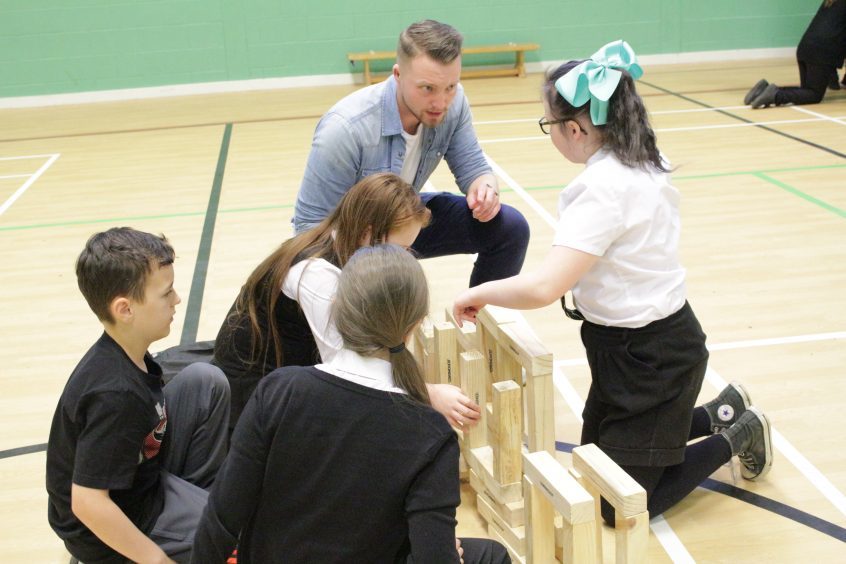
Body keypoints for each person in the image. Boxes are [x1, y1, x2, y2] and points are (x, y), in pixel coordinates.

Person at [453, 40, 774, 524]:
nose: (551, 134)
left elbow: (544, 288)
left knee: (613, 503)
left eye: (550, 126)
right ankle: (719, 412)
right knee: (597, 462)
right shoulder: (635, 158)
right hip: (625, 347)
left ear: (576, 129)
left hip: (653, 356)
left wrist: (478, 293)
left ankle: (737, 434)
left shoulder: (604, 190)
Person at [192, 244, 510, 563]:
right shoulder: (431, 434)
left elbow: (221, 518)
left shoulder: (278, 390)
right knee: (492, 555)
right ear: (415, 324)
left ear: (336, 307)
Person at [215, 173, 481, 431]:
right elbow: (348, 373)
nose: (405, 257)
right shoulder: (318, 275)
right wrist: (428, 394)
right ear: (367, 234)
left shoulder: (344, 245)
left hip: (291, 368)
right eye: (399, 248)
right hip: (251, 391)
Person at [293, 19, 530, 288]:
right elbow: (308, 229)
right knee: (393, 287)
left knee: (510, 228)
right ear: (397, 76)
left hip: (405, 221)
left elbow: (473, 165)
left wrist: (485, 189)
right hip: (350, 239)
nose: (441, 103)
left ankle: (481, 315)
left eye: (450, 87)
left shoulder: (453, 104)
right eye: (427, 88)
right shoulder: (345, 129)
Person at [46, 227, 230, 564]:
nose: (177, 300)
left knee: (206, 381)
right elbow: (87, 502)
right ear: (125, 309)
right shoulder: (115, 394)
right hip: (119, 522)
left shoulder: (127, 351)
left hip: (142, 481)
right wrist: (156, 559)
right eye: (167, 293)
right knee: (230, 537)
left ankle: (190, 514)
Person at [745, 0, 846, 108]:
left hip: (805, 48)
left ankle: (763, 90)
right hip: (821, 52)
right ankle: (776, 95)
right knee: (814, 95)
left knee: (806, 90)